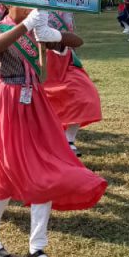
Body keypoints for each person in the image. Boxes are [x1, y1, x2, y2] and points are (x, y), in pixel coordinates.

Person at [0, 6, 107, 257]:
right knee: (4, 174)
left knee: (45, 170)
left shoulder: (37, 31)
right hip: (7, 104)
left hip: (35, 102)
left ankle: (37, 246)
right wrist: (25, 27)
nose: (30, 8)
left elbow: (77, 42)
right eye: (24, 3)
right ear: (9, 3)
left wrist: (51, 34)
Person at [42, 11, 102, 157]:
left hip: (63, 59)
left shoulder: (64, 9)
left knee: (85, 93)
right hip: (34, 61)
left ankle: (69, 139)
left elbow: (72, 40)